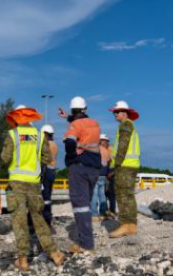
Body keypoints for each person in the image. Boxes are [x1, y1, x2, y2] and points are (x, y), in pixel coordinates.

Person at [1, 105, 65, 271]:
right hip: (34, 184)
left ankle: (23, 260)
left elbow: (4, 158)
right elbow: (46, 158)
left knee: (19, 221)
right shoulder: (38, 135)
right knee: (39, 218)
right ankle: (54, 254)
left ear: (17, 117)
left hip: (16, 183)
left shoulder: (12, 135)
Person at [59, 96, 101, 254]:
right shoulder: (95, 123)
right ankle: (84, 238)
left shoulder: (75, 124)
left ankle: (86, 244)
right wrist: (67, 118)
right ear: (85, 109)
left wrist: (70, 158)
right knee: (86, 204)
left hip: (80, 167)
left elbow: (70, 142)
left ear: (73, 110)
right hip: (94, 168)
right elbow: (83, 123)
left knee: (80, 206)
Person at [107, 101, 141, 238]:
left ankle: (126, 224)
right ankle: (131, 225)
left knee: (122, 196)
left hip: (125, 166)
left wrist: (116, 166)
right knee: (128, 195)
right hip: (129, 165)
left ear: (124, 113)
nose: (114, 114)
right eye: (114, 112)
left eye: (117, 112)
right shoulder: (129, 125)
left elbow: (123, 146)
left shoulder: (125, 124)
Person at [90, 134, 111, 221]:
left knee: (94, 195)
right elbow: (109, 162)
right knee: (102, 195)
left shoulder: (96, 150)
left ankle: (94, 215)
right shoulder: (106, 151)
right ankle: (103, 213)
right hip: (103, 175)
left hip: (95, 175)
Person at [40, 124, 57, 226]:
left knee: (45, 196)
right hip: (53, 171)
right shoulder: (54, 144)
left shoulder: (46, 144)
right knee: (48, 196)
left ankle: (46, 219)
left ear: (46, 134)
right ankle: (47, 217)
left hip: (46, 171)